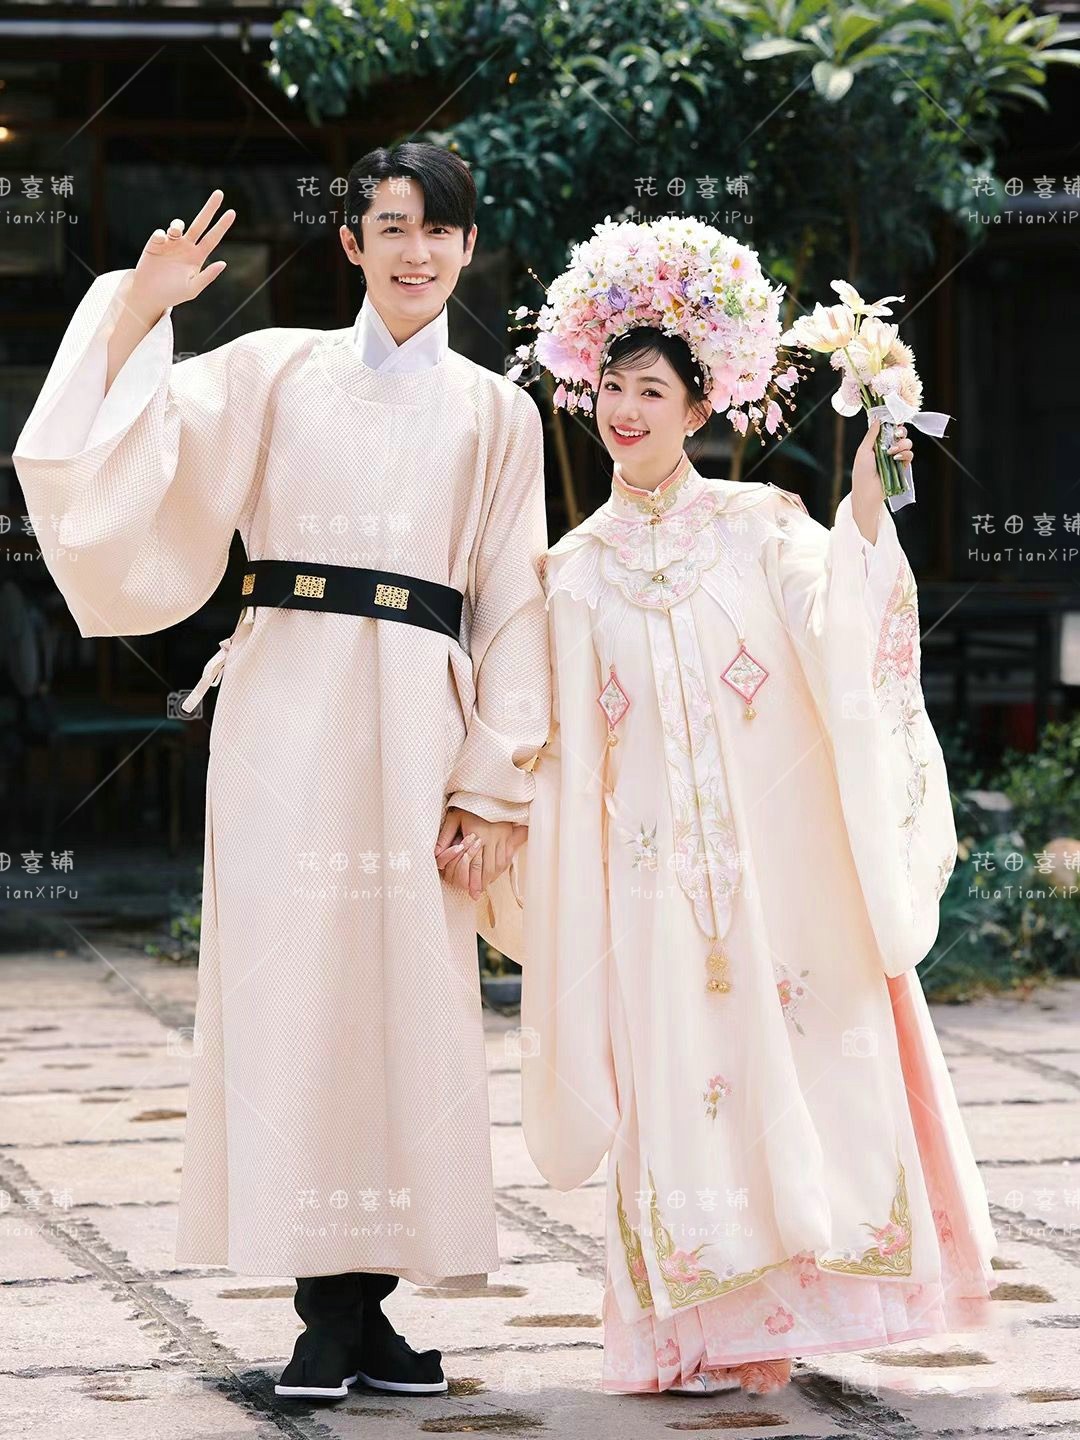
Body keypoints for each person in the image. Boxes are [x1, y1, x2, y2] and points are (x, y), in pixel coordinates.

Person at [13, 142, 550, 1402]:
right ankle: (324, 1313)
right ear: (350, 243)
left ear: (468, 248)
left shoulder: (500, 412)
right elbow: (113, 462)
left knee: (406, 1009)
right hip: (285, 718)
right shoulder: (268, 370)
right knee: (293, 999)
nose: (416, 251)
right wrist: (136, 309)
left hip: (421, 723)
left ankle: (369, 1310)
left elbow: (515, 604)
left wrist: (492, 784)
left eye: (440, 230)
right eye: (391, 227)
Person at [491, 217, 1000, 1397]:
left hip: (784, 869)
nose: (627, 411)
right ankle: (697, 1332)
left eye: (652, 391)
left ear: (698, 405)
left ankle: (808, 1303)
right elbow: (556, 748)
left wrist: (870, 493)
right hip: (649, 883)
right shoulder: (570, 573)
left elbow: (844, 632)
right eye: (613, 387)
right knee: (679, 1079)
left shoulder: (763, 526)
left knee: (808, 1056)